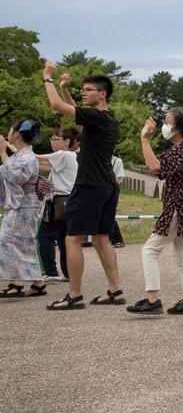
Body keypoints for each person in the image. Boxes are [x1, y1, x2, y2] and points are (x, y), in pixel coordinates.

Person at [42, 64, 125, 310]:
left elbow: (57, 106)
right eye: (83, 90)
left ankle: (74, 295)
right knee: (101, 239)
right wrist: (64, 89)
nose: (84, 93)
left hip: (89, 185)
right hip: (107, 186)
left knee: (72, 239)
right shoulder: (107, 119)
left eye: (89, 90)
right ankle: (114, 290)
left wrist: (48, 79)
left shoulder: (97, 117)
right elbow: (75, 111)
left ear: (103, 94)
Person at [126, 108, 183, 315]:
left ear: (178, 127)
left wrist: (144, 139)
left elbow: (154, 167)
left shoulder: (182, 149)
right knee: (182, 254)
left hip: (178, 206)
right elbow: (156, 162)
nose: (164, 126)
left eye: (168, 121)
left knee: (149, 250)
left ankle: (153, 299)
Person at [0, 120, 48, 298]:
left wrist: (2, 154)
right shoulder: (22, 155)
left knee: (8, 240)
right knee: (23, 242)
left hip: (23, 204)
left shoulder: (27, 157)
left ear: (17, 134)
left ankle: (16, 283)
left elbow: (16, 176)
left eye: (10, 130)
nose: (8, 134)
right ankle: (38, 283)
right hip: (22, 204)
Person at [35, 126, 81, 282]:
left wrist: (13, 148)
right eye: (51, 139)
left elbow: (36, 157)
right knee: (64, 239)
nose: (52, 142)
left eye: (55, 139)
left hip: (59, 201)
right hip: (70, 201)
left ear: (67, 141)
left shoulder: (63, 154)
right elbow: (42, 165)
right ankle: (68, 273)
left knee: (44, 236)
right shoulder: (71, 157)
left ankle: (51, 272)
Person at [109, 155, 126, 248]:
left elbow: (120, 176)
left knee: (110, 213)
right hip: (101, 188)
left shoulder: (117, 161)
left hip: (112, 188)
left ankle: (117, 240)